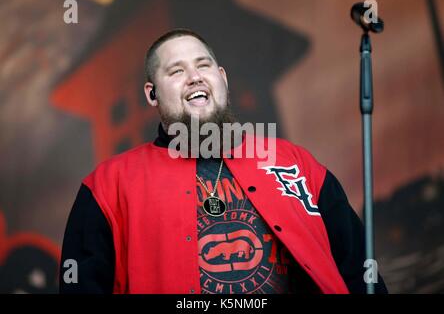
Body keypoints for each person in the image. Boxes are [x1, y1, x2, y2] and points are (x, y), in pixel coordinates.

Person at [59, 28, 388, 294]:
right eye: (176, 71)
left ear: (222, 78)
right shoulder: (108, 185)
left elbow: (357, 267)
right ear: (151, 94)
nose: (194, 77)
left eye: (203, 66)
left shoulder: (295, 162)